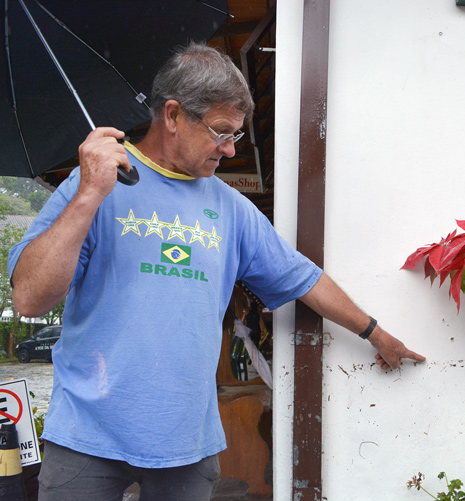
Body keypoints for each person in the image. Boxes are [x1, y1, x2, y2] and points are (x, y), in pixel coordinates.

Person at [8, 43, 425, 501]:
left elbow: (304, 278)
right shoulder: (93, 183)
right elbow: (30, 298)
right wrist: (89, 194)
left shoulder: (232, 209)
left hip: (185, 442)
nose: (229, 150)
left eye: (236, 137)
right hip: (86, 437)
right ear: (172, 116)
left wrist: (374, 332)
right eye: (221, 132)